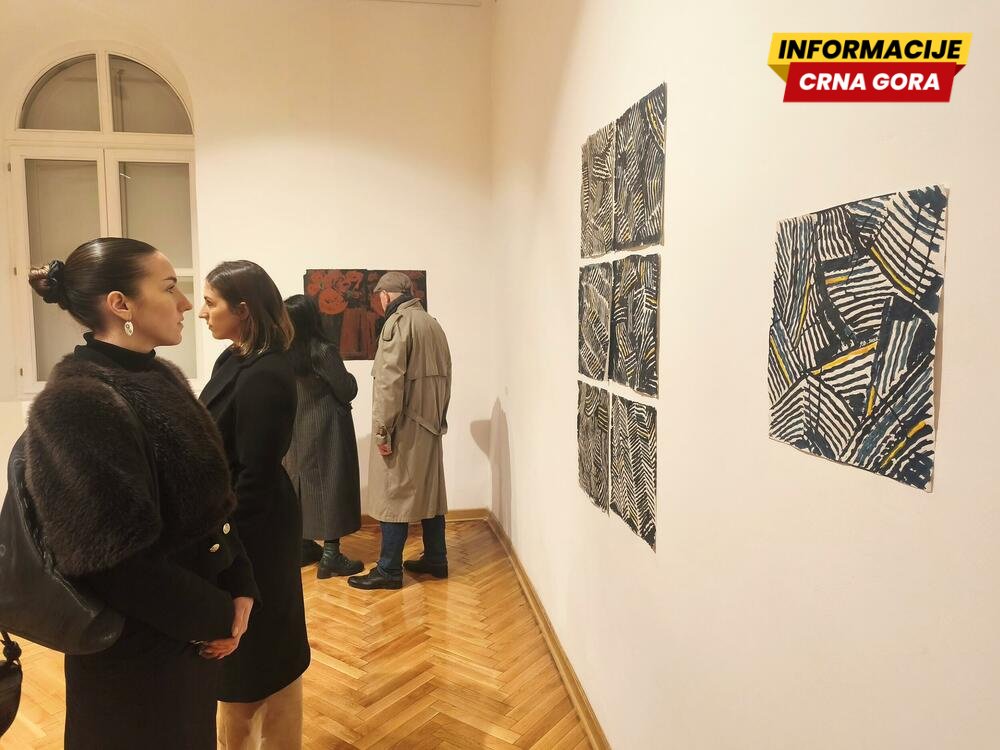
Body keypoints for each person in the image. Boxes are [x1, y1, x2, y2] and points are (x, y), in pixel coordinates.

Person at [24, 238, 258, 750]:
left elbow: (211, 501)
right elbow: (113, 563)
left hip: (187, 642)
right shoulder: (77, 401)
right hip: (134, 658)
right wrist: (218, 615)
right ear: (121, 304)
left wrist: (241, 583)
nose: (186, 304)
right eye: (170, 287)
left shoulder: (158, 374)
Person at [199, 261, 309, 749]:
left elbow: (256, 476)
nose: (202, 312)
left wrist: (230, 551)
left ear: (242, 310)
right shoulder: (235, 358)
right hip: (236, 514)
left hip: (255, 526)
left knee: (261, 645)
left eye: (211, 303)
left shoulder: (267, 373)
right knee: (248, 649)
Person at [348, 272, 453, 591]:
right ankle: (436, 558)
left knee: (393, 495)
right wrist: (437, 418)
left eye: (379, 297)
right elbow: (446, 378)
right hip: (430, 425)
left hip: (403, 428)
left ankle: (389, 569)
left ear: (385, 295)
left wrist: (383, 432)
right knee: (430, 493)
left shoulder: (397, 325)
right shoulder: (432, 324)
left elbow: (388, 386)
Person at [283, 294, 364, 578]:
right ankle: (331, 555)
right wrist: (352, 379)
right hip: (327, 428)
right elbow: (346, 389)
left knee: (301, 483)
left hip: (297, 428)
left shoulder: (283, 352)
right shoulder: (322, 350)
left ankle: (303, 546)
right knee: (331, 484)